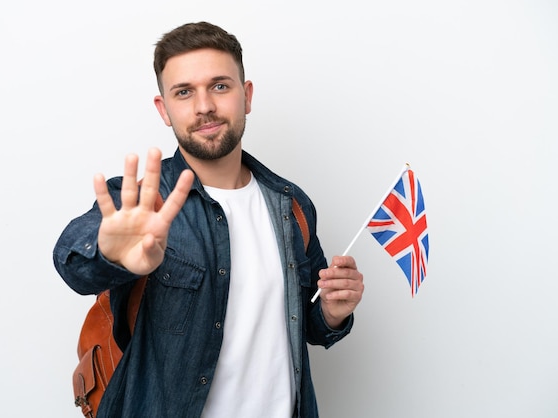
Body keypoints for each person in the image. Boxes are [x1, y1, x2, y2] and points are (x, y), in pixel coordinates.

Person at [53, 21, 364, 418]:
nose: (204, 107)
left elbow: (306, 325)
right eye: (184, 92)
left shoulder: (292, 206)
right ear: (164, 109)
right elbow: (72, 264)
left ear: (246, 96)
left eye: (220, 86)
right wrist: (109, 254)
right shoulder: (142, 204)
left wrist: (333, 312)